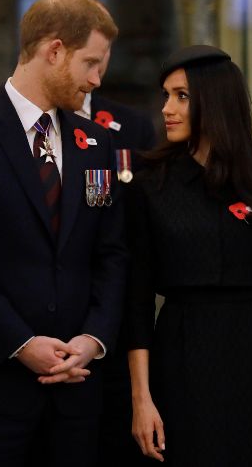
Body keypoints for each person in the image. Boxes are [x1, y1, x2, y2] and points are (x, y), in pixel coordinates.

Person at [0, 0, 128, 466]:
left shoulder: (96, 143)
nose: (97, 80)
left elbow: (111, 250)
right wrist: (21, 343)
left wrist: (93, 338)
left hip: (76, 389)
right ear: (54, 51)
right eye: (90, 63)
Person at [125, 45, 252, 466]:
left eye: (181, 96)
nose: (166, 108)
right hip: (181, 355)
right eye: (166, 95)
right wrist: (141, 399)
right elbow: (137, 304)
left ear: (214, 101)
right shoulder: (150, 187)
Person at [74, 51, 159, 466]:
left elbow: (113, 220)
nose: (96, 75)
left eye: (103, 60)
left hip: (113, 313)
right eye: (88, 61)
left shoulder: (117, 130)